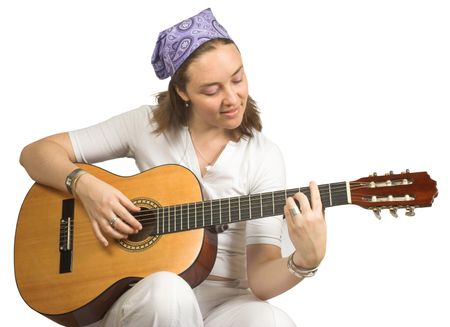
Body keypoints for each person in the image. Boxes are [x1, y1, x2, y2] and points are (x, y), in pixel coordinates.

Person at [20, 8, 326, 327]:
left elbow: (261, 281)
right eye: (211, 90)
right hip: (147, 299)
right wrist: (87, 187)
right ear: (182, 92)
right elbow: (36, 153)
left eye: (238, 78)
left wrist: (305, 259)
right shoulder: (145, 125)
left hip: (227, 303)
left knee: (271, 321)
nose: (233, 98)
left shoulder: (264, 156)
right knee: (169, 291)